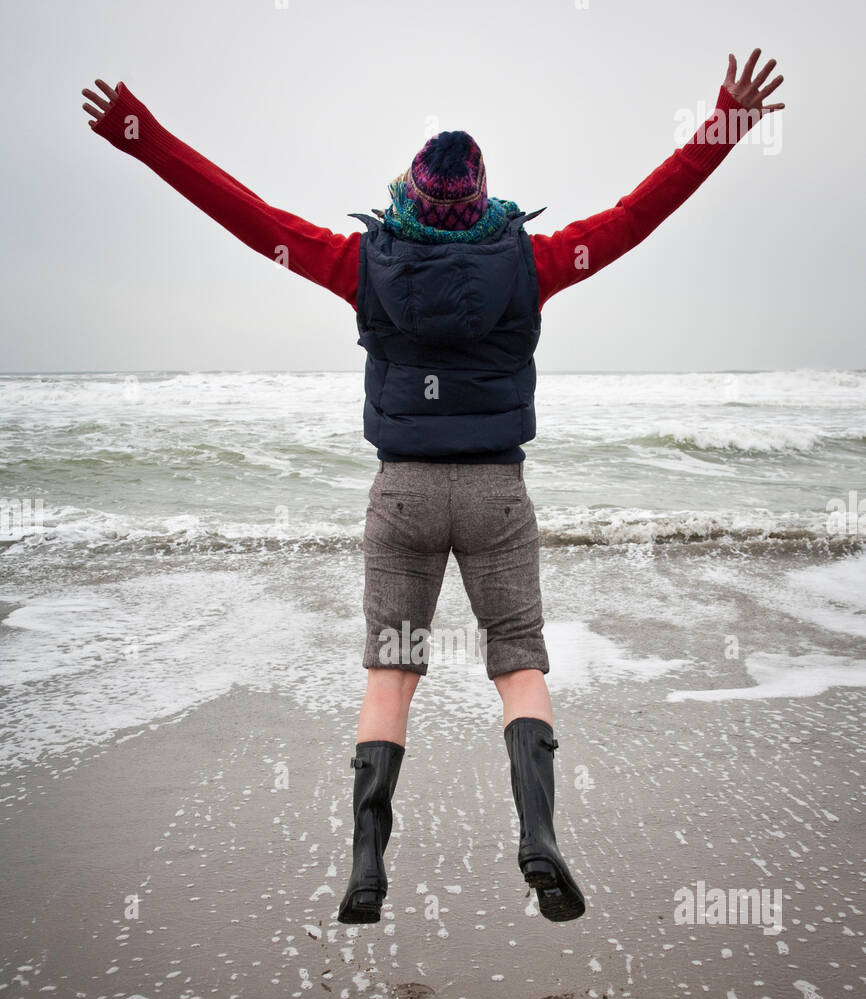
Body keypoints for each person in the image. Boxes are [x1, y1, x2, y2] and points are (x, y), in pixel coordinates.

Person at [83, 50, 784, 927]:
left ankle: (368, 868)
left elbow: (246, 214)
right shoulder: (531, 262)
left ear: (409, 194)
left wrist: (141, 138)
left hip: (403, 499)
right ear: (482, 195)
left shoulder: (361, 261)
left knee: (391, 675)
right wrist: (725, 123)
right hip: (495, 496)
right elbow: (639, 216)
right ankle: (539, 842)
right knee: (519, 667)